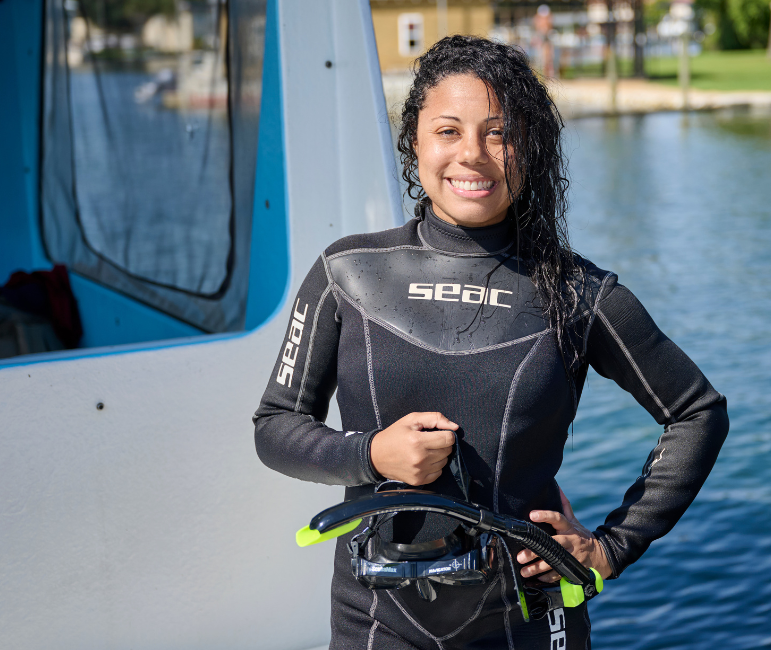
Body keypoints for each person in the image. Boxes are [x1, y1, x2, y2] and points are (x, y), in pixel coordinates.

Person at [253, 35, 729, 649]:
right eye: (448, 131)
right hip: (378, 621)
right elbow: (275, 426)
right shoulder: (347, 274)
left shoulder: (579, 293)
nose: (472, 156)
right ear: (415, 141)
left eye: (500, 134)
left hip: (531, 620)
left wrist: (612, 546)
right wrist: (371, 455)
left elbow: (697, 412)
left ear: (531, 149)